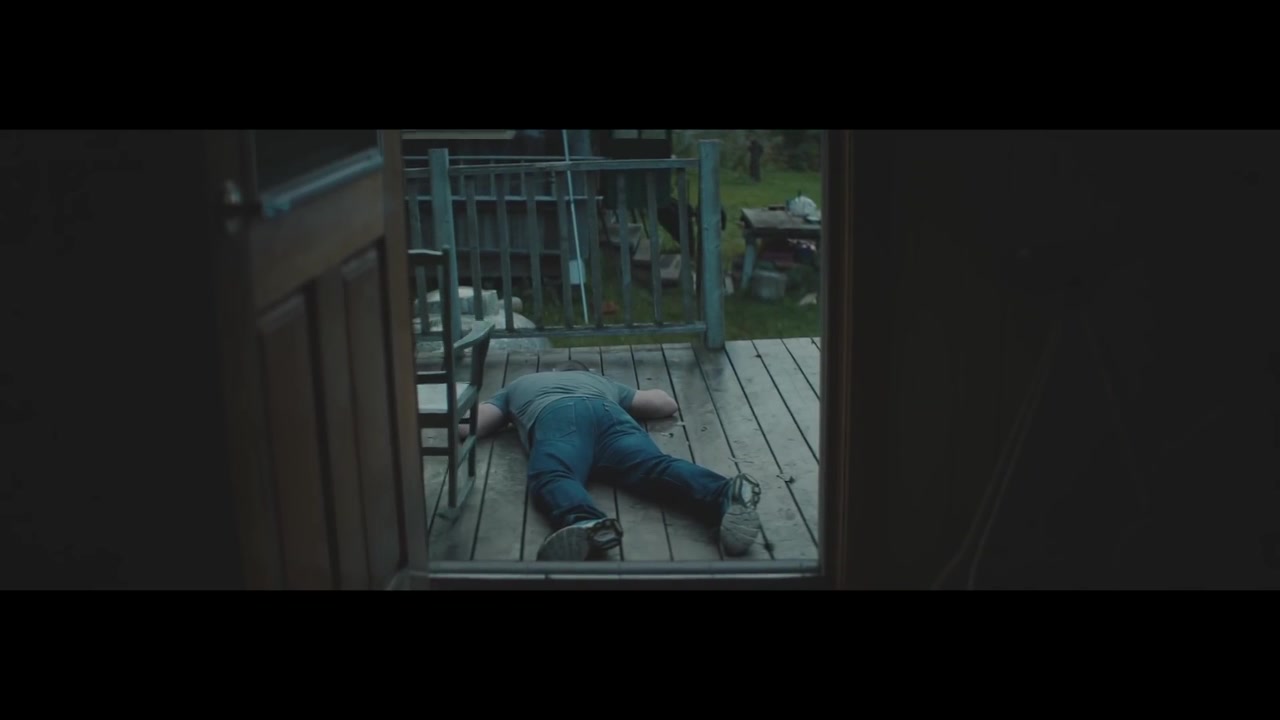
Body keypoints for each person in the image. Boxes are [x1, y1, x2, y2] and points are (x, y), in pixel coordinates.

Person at [458, 360, 763, 561]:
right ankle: (724, 493)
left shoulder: (521, 383)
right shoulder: (602, 383)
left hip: (558, 416)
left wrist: (501, 416)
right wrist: (614, 390)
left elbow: (471, 426)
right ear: (585, 372)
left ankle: (585, 521)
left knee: (554, 475)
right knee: (657, 467)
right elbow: (665, 405)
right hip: (610, 415)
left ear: (553, 371)